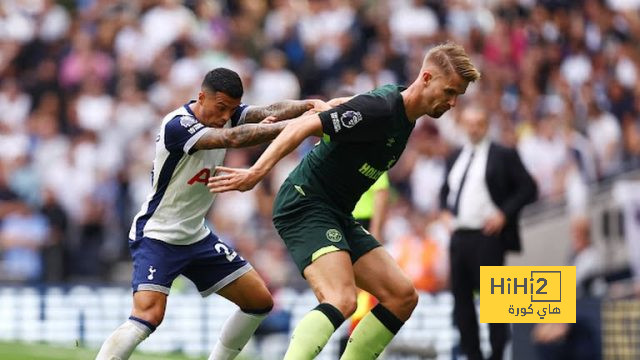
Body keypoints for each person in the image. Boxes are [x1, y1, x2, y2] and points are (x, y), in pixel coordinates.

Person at [208, 42, 480, 359]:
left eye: (457, 95)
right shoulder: (382, 109)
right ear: (427, 78)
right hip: (305, 203)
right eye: (449, 92)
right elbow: (306, 125)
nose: (453, 102)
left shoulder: (402, 114)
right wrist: (256, 171)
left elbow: (346, 108)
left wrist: (336, 105)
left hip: (336, 213)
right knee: (342, 298)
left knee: (402, 296)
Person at [95, 68, 327, 360]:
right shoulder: (178, 125)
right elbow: (232, 138)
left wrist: (307, 106)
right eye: (220, 108)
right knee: (148, 315)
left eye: (231, 109)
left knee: (259, 301)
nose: (224, 116)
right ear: (201, 96)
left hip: (196, 235)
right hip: (159, 234)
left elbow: (269, 110)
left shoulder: (224, 113)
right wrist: (297, 127)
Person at [439, 105, 538, 360]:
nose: (473, 128)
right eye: (469, 123)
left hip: (487, 237)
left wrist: (504, 214)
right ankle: (473, 355)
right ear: (463, 125)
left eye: (478, 123)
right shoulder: (455, 156)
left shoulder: (502, 154)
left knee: (495, 302)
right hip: (459, 237)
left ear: (486, 125)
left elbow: (528, 187)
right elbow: (445, 192)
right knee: (461, 302)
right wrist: (443, 213)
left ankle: (497, 354)